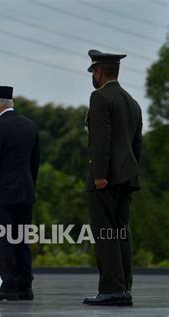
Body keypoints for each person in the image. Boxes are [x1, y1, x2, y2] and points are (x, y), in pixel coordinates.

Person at [83, 50, 142, 306]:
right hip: (127, 176)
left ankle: (111, 289)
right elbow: (136, 144)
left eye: (93, 72)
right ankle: (124, 287)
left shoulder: (99, 97)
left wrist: (99, 175)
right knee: (121, 232)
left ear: (98, 71)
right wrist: (130, 171)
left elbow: (100, 140)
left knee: (105, 233)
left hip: (106, 179)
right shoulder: (132, 101)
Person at [0, 86, 40, 301]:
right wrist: (30, 187)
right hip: (25, 193)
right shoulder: (30, 126)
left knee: (5, 241)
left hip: (3, 196)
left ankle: (9, 285)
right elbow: (34, 164)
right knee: (22, 240)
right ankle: (25, 286)